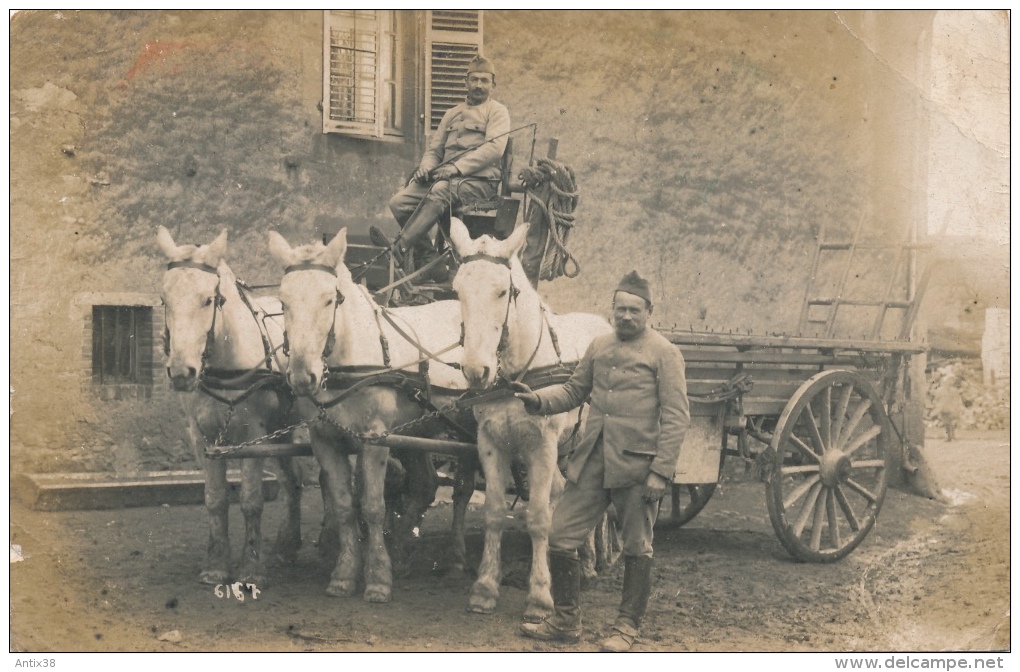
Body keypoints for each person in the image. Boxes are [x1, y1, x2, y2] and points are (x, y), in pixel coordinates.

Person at [513, 270, 690, 652]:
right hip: (592, 461)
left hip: (637, 468)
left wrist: (660, 472)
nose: (626, 316)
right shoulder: (599, 347)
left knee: (636, 547)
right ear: (611, 310)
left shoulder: (664, 353)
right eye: (620, 309)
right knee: (560, 537)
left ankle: (626, 628)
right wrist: (539, 401)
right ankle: (565, 620)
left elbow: (677, 417)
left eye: (634, 311)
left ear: (649, 312)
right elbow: (575, 390)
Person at [379, 54, 510, 281]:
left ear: (493, 85)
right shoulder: (451, 114)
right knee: (399, 203)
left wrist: (457, 169)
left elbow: (494, 149)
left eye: (485, 81)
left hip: (479, 183)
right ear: (465, 82)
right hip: (444, 180)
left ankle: (399, 248)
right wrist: (426, 168)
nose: (479, 85)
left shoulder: (497, 112)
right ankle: (429, 258)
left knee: (440, 190)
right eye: (474, 79)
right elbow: (434, 150)